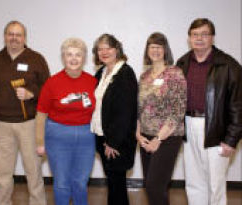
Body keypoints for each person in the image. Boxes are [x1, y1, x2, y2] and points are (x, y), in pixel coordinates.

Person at [176, 18, 242, 205]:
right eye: (195, 34)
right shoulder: (182, 63)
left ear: (212, 37)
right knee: (194, 182)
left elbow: (238, 106)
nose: (199, 38)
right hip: (188, 127)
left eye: (204, 34)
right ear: (189, 38)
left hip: (216, 129)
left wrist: (231, 140)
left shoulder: (229, 65)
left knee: (216, 183)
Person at [0, 20, 50, 205]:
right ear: (5, 36)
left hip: (29, 123)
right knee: (2, 173)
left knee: (34, 171)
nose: (14, 38)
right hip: (1, 125)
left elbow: (48, 91)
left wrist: (32, 93)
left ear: (25, 37)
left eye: (18, 34)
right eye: (10, 34)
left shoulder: (36, 59)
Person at [35, 38, 97, 205]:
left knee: (80, 183)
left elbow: (100, 113)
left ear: (84, 58)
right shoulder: (52, 82)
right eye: (69, 54)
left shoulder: (93, 82)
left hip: (86, 137)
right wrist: (40, 142)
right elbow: (41, 115)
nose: (74, 58)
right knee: (62, 184)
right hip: (58, 136)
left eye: (78, 54)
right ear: (63, 57)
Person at [136, 32, 187, 205]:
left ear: (165, 50)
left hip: (168, 137)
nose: (156, 50)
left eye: (159, 46)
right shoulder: (144, 77)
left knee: (155, 186)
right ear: (147, 50)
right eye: (152, 46)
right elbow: (138, 108)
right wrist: (137, 134)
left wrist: (158, 138)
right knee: (151, 187)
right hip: (145, 137)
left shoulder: (175, 74)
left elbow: (178, 110)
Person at [90, 34, 138, 205]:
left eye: (108, 48)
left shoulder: (125, 73)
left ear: (117, 49)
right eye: (100, 49)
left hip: (116, 141)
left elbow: (125, 112)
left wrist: (113, 142)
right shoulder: (100, 73)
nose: (104, 52)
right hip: (102, 137)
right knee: (113, 182)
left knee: (116, 184)